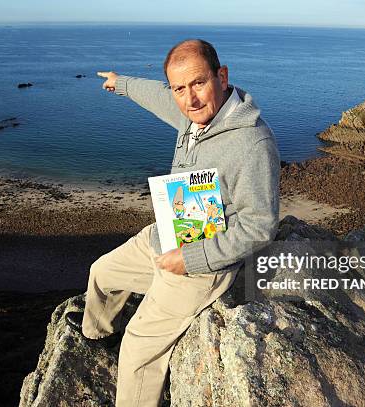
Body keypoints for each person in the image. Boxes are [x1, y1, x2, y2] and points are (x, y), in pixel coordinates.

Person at [64, 39, 280, 407]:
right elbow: (159, 95)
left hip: (201, 264)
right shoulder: (190, 112)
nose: (190, 99)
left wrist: (190, 259)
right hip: (167, 232)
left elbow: (259, 226)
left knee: (137, 349)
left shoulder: (252, 143)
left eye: (198, 83)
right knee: (100, 273)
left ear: (222, 77)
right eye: (181, 88)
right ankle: (97, 333)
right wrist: (121, 83)